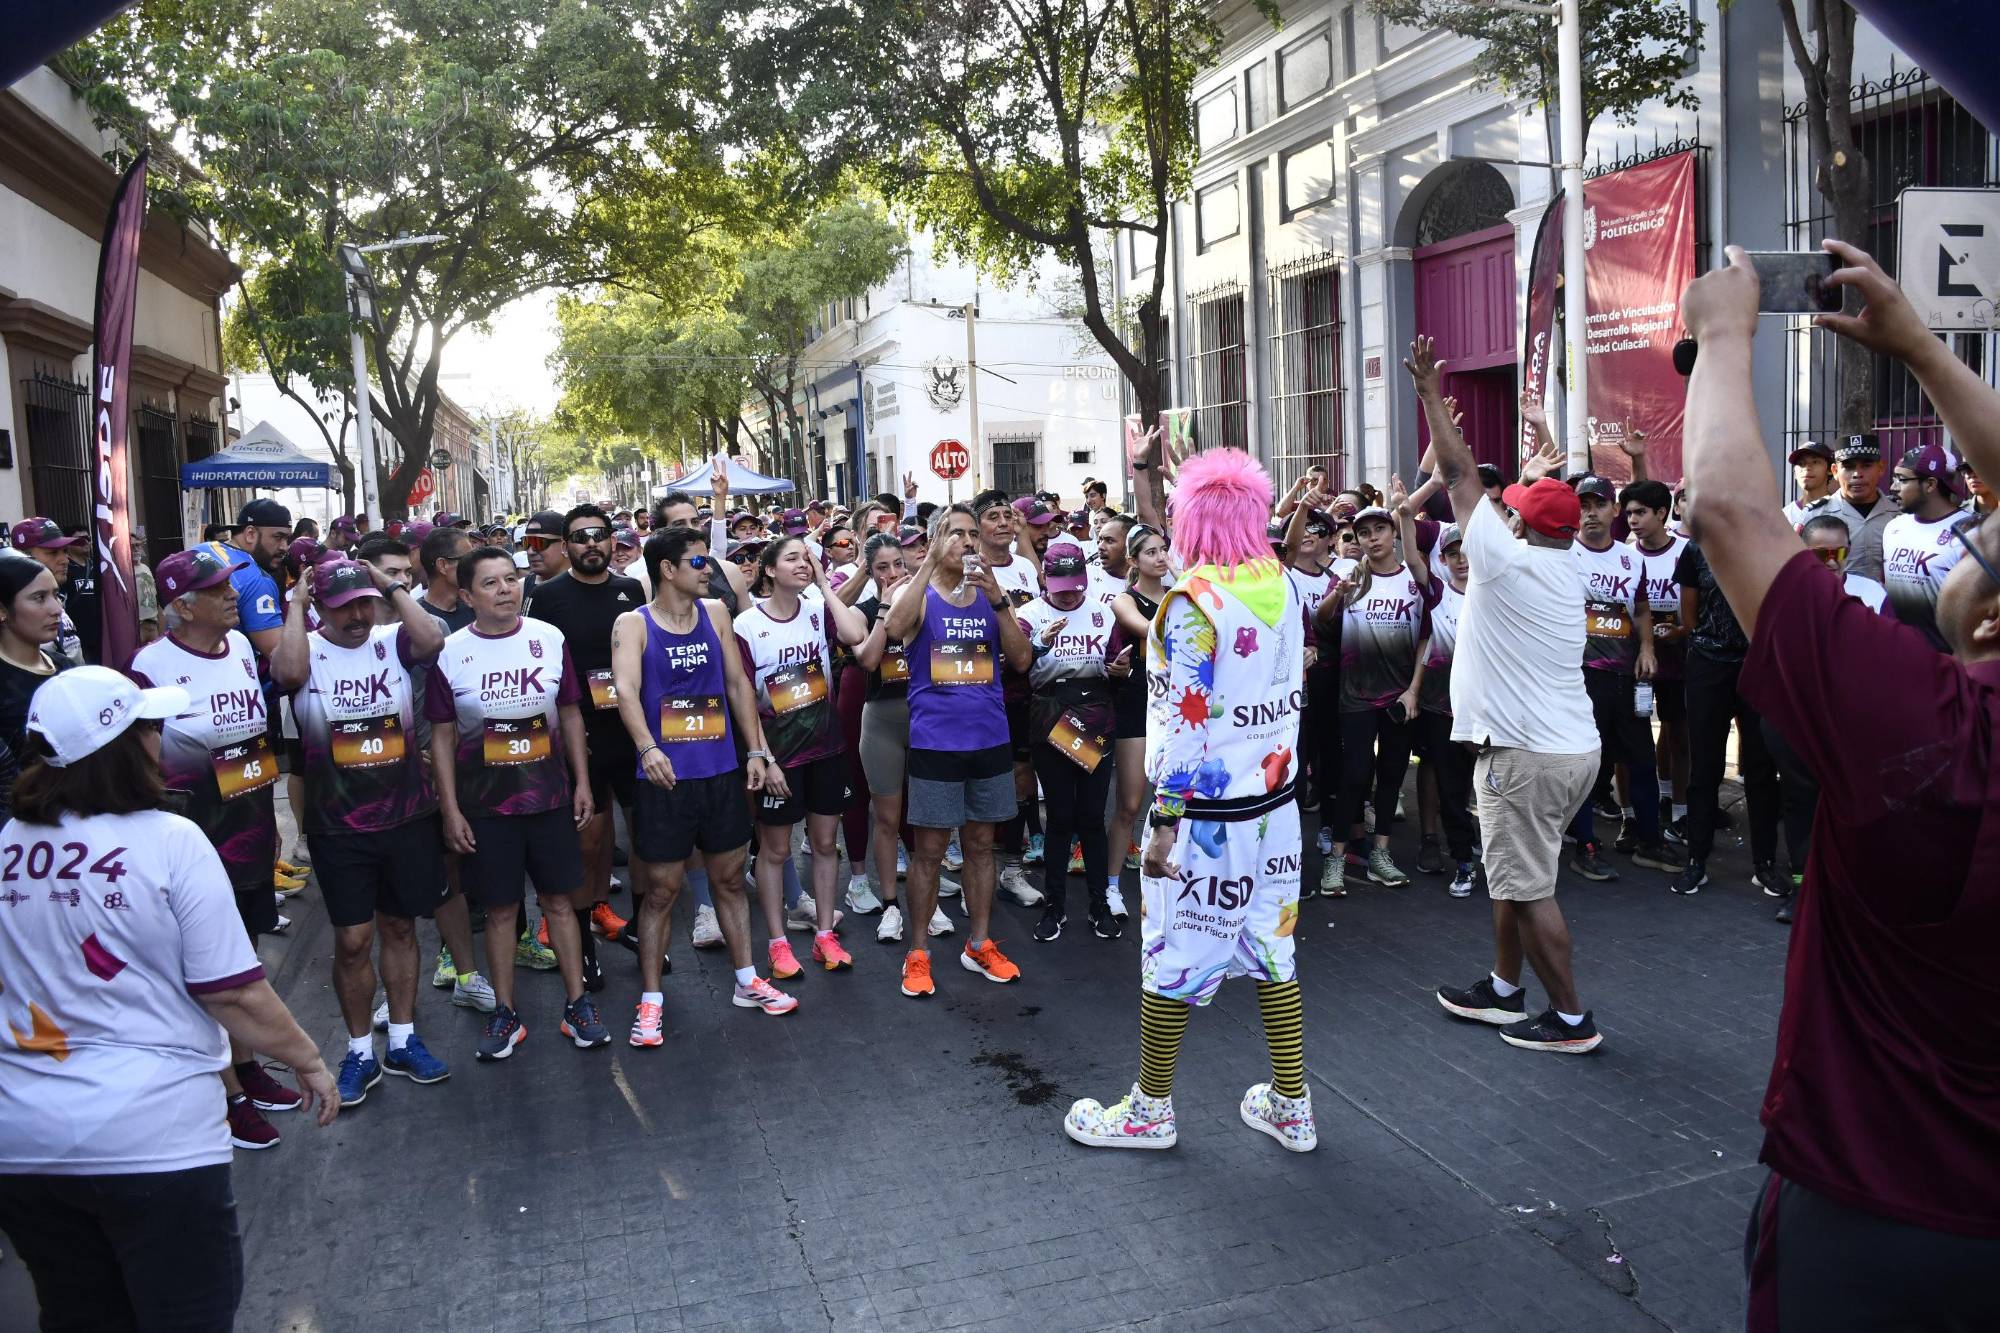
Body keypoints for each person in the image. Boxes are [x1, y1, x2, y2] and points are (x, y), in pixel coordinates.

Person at [1678, 239, 2000, 1330]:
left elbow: (1727, 514)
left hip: (1879, 1223)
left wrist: (1720, 336)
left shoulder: (1920, 722)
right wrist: (1915, 343)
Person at [0, 667, 336, 1331]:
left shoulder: (7, 847)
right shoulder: (169, 840)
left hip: (23, 1139)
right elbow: (234, 991)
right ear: (123, 746)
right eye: (148, 726)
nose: (160, 738)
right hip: (152, 1137)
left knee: (79, 1316)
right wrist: (309, 1058)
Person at [1063, 447, 1314, 1152]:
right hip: (1276, 807)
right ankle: (1292, 1102)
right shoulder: (1283, 583)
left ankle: (1149, 1109)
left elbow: (1186, 725)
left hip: (1208, 818)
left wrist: (1163, 823)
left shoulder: (1192, 602)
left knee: (1172, 953)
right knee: (1273, 944)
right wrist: (1159, 473)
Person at [1408, 335, 1606, 1054]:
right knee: (1515, 871)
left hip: (1524, 756)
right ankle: (1502, 985)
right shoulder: (1564, 561)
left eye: (1512, 507)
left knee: (1528, 886)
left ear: (1518, 524)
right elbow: (1516, 500)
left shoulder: (1502, 563)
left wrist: (1431, 395)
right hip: (1566, 748)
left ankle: (1572, 1019)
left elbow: (1459, 472)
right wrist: (1540, 466)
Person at [130, 548, 306, 1149]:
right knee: (206, 971)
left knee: (244, 954)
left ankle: (248, 1064)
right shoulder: (148, 667)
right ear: (181, 605)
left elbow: (251, 743)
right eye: (217, 589)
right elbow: (143, 768)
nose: (234, 595)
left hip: (251, 831)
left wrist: (268, 819)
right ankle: (225, 1094)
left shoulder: (241, 653)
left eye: (231, 584)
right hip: (189, 842)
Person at [612, 526, 796, 1045]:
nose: (708, 570)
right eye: (697, 563)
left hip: (719, 773)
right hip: (665, 779)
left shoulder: (716, 613)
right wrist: (648, 748)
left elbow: (738, 684)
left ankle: (746, 979)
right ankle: (650, 1002)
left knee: (732, 880)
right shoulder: (634, 623)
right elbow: (625, 689)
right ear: (667, 569)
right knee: (662, 892)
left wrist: (757, 750)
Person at [427, 545, 606, 1059]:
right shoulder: (450, 651)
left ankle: (578, 1006)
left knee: (560, 903)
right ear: (466, 596)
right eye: (491, 583)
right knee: (503, 911)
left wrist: (582, 782)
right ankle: (506, 1013)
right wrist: (451, 809)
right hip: (486, 808)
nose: (506, 589)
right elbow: (441, 736)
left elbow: (570, 714)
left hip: (549, 799)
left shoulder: (549, 639)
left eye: (511, 579)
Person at [881, 504, 1031, 999]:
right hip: (935, 744)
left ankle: (980, 943)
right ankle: (919, 952)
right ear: (935, 540)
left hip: (989, 740)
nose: (967, 542)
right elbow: (895, 630)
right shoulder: (920, 593)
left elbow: (1022, 659)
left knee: (981, 846)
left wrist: (1000, 600)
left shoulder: (990, 596)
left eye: (972, 534)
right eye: (955, 534)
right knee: (928, 852)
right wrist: (924, 564)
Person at [521, 505, 648, 989]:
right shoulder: (548, 596)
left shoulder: (630, 590)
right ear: (566, 546)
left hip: (632, 730)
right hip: (582, 735)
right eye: (580, 537)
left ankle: (641, 930)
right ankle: (586, 943)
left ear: (612, 540)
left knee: (643, 834)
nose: (591, 543)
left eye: (599, 535)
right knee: (590, 841)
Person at [734, 537, 868, 979]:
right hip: (780, 755)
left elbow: (854, 635)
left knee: (827, 845)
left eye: (807, 557)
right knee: (775, 851)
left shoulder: (817, 610)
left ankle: (825, 935)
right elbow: (744, 699)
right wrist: (763, 757)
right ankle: (777, 943)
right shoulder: (748, 625)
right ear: (769, 570)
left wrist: (825, 583)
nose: (803, 564)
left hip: (827, 747)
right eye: (792, 558)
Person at [1018, 542, 1130, 942]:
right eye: (1060, 585)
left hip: (1096, 714)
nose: (1068, 593)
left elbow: (1121, 661)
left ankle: (1100, 904)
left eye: (1075, 585)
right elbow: (1017, 664)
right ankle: (1055, 906)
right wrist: (1039, 644)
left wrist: (1120, 668)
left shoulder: (1103, 611)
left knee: (1092, 818)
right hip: (1051, 716)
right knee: (1060, 818)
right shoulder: (1030, 613)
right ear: (1045, 580)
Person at [1325, 489, 1430, 893]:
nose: (1372, 538)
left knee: (1391, 776)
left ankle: (1380, 854)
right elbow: (1322, 622)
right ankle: (1336, 858)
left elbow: (1426, 637)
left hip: (1399, 697)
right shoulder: (1349, 577)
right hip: (1354, 696)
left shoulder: (1414, 580)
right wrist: (1337, 596)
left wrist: (1414, 691)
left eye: (1380, 529)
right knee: (1353, 776)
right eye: (1363, 531)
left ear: (1393, 533)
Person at [1411, 522, 1478, 897]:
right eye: (1453, 553)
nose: (1462, 559)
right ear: (1444, 559)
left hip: (1489, 711)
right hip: (1443, 709)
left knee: (1491, 788)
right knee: (1452, 790)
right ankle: (1464, 860)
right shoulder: (1437, 592)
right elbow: (1409, 556)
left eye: (1467, 551)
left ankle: (1499, 857)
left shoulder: (1494, 592)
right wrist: (1406, 514)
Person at [1879, 442, 1975, 650]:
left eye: (1902, 480)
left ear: (1930, 484)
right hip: (1893, 654)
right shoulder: (1893, 527)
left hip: (1944, 663)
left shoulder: (1971, 533)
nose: (1893, 487)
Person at [0, 555, 72, 767]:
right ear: (2, 610)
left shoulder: (64, 667)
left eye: (56, 595)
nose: (57, 608)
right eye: (39, 598)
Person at [1798, 433, 1898, 581]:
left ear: (1881, 468)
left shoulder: (1899, 515)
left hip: (1885, 602)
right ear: (1835, 471)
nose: (1857, 474)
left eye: (1866, 465)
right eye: (1848, 467)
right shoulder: (1814, 515)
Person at [8, 518, 93, 662]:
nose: (65, 560)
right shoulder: (13, 610)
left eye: (65, 551)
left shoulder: (58, 599)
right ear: (23, 556)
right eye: (53, 552)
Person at [1781, 441, 1837, 528]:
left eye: (1815, 462)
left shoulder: (1840, 509)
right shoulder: (1786, 515)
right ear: (1795, 474)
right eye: (1801, 464)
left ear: (1830, 470)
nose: (1807, 468)